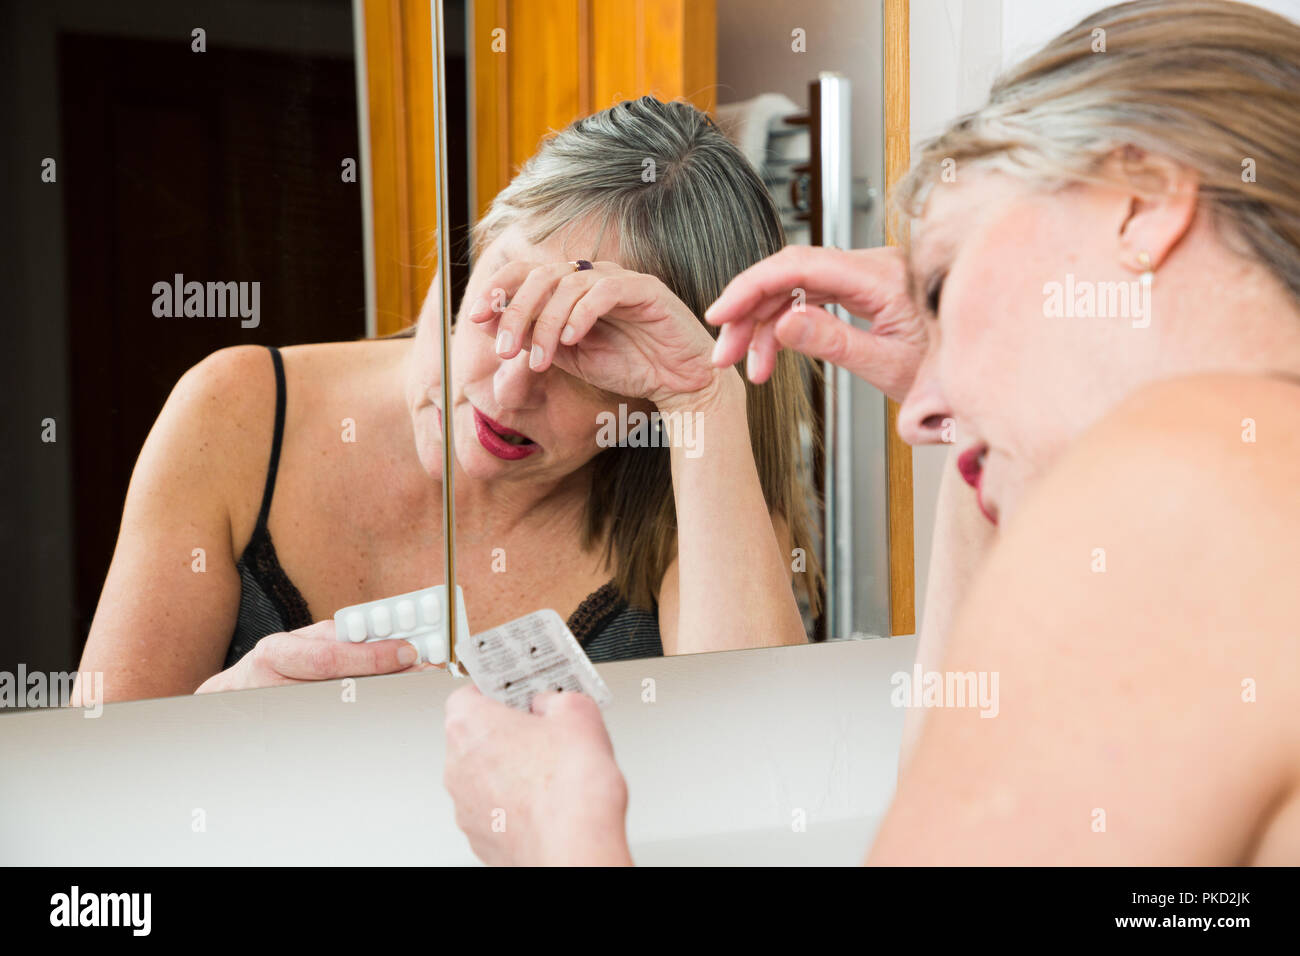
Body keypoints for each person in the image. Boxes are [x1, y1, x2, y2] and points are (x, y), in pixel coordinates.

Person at [443, 0, 1300, 864]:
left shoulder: (1199, 463)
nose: (918, 414)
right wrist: (975, 413)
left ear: (1143, 204)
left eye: (941, 284)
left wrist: (564, 844)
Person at [77, 97, 822, 701]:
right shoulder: (236, 411)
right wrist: (217, 724)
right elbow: (101, 787)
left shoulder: (690, 492)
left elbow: (761, 756)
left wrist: (700, 401)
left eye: (593, 360)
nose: (507, 391)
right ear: (476, 249)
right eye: (504, 304)